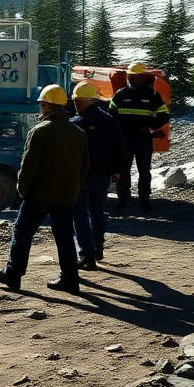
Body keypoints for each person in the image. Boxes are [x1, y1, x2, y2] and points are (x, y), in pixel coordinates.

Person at [0, 84, 90, 295]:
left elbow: (28, 165)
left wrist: (22, 188)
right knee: (64, 236)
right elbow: (85, 165)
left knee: (22, 232)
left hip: (39, 195)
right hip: (67, 196)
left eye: (42, 105)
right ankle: (70, 279)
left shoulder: (40, 131)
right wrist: (75, 188)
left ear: (48, 107)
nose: (40, 109)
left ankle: (13, 274)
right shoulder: (78, 133)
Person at [69, 82, 125, 265]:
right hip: (102, 174)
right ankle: (97, 248)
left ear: (88, 100)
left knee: (80, 213)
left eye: (78, 100)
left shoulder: (75, 124)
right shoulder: (108, 120)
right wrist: (117, 170)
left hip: (83, 177)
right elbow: (118, 146)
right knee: (97, 211)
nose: (75, 104)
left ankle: (86, 252)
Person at [109, 62, 171, 212]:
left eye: (134, 77)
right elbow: (111, 113)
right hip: (125, 139)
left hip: (143, 139)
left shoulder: (152, 95)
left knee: (144, 170)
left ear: (142, 77)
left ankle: (145, 198)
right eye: (129, 76)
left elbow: (163, 115)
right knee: (123, 169)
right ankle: (123, 197)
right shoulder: (120, 94)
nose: (131, 79)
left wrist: (150, 127)